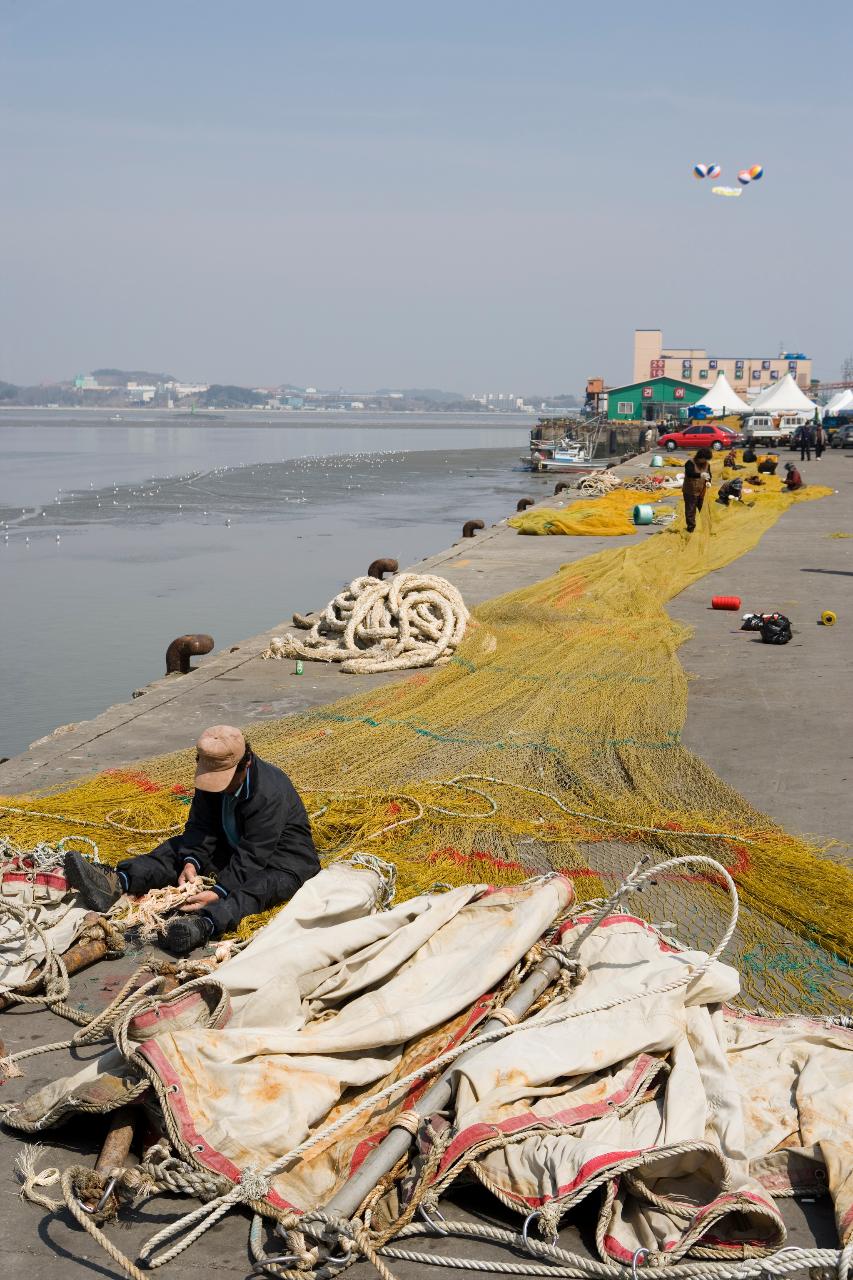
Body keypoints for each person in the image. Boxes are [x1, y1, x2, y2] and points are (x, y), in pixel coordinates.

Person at [65, 726, 320, 955]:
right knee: (176, 849)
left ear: (246, 764)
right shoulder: (211, 776)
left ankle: (202, 924)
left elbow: (254, 855)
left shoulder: (269, 792)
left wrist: (218, 891)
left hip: (282, 861)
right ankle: (117, 882)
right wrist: (192, 862)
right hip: (231, 848)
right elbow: (200, 827)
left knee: (257, 889)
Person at [682, 446, 712, 533]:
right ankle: (691, 528)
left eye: (706, 459)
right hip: (690, 491)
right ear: (699, 457)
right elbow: (689, 473)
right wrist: (700, 475)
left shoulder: (707, 464)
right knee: (691, 510)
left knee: (703, 509)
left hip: (702, 491)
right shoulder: (690, 463)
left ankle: (705, 528)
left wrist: (708, 481)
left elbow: (709, 474)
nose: (705, 461)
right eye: (704, 459)